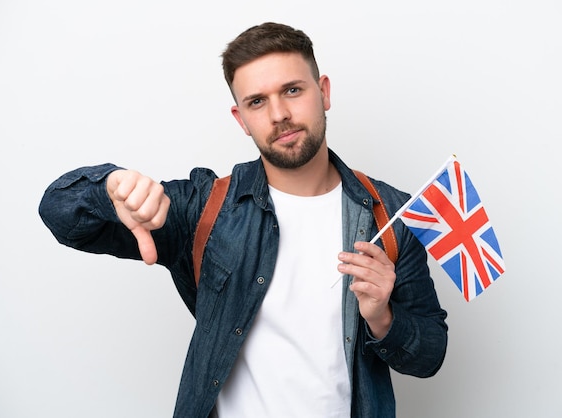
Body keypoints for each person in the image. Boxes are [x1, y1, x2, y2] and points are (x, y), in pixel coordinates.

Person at [39, 22, 448, 418]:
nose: (279, 114)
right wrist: (108, 188)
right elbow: (58, 212)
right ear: (240, 118)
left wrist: (381, 317)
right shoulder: (205, 208)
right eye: (257, 101)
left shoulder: (390, 214)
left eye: (292, 90)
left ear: (323, 92)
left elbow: (430, 355)